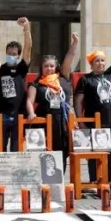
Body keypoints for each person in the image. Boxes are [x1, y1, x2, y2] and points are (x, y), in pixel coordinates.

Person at [74, 27, 111, 188]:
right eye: (97, 61)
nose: (100, 63)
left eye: (102, 60)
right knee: (94, 153)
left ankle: (110, 181)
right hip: (94, 122)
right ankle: (94, 180)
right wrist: (80, 121)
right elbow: (78, 100)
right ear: (91, 64)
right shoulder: (85, 80)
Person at [25, 33, 78, 161]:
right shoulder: (36, 84)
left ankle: (59, 180)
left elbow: (69, 57)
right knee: (45, 153)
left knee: (63, 153)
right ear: (41, 68)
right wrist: (31, 113)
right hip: (45, 120)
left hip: (63, 121)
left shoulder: (63, 77)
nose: (49, 68)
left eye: (51, 66)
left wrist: (75, 43)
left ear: (56, 67)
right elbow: (29, 100)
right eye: (46, 66)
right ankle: (46, 180)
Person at [0, 18, 32, 152]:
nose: (11, 56)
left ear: (18, 55)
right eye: (9, 54)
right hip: (2, 115)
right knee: (0, 149)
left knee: (16, 150)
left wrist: (26, 29)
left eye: (14, 54)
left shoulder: (22, 68)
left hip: (19, 115)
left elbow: (28, 48)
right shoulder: (1, 69)